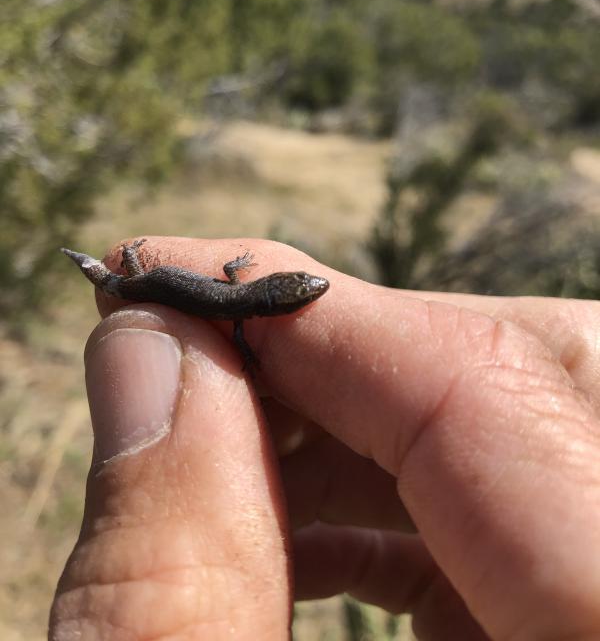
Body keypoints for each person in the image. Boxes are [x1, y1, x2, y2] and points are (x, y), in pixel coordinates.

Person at [49, 237, 600, 640]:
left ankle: (118, 273)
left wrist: (234, 284)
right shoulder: (240, 311)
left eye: (300, 296)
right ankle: (114, 274)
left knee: (135, 279)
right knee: (128, 284)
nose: (312, 294)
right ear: (270, 301)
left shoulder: (240, 300)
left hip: (162, 284)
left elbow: (227, 280)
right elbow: (230, 305)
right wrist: (244, 351)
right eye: (299, 299)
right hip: (154, 291)